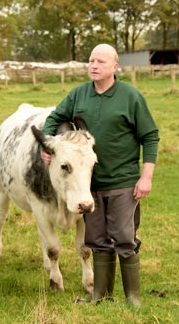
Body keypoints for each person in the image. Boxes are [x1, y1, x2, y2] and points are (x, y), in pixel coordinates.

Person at [42, 44, 159, 307]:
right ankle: (100, 296)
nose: (94, 65)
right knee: (95, 239)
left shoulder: (131, 97)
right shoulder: (78, 94)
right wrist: (48, 146)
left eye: (101, 62)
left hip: (123, 181)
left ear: (115, 66)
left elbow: (150, 136)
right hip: (88, 184)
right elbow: (55, 117)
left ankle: (133, 298)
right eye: (91, 60)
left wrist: (146, 177)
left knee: (124, 237)